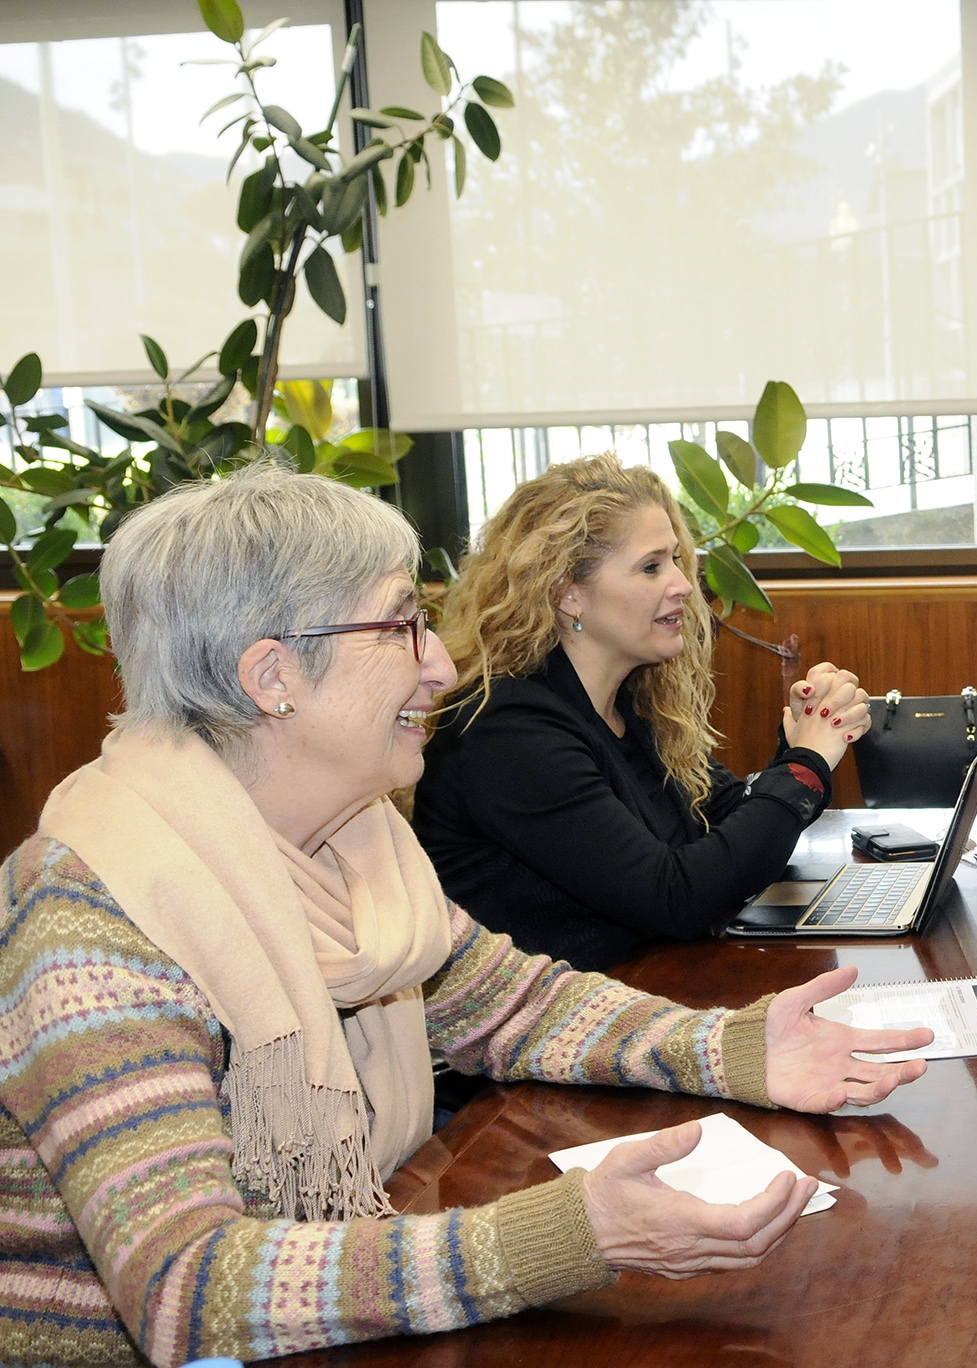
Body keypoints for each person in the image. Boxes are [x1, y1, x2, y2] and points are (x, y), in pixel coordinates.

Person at [0, 463, 929, 1368]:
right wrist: (568, 1236)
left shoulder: (355, 844)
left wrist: (736, 1050)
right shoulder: (96, 913)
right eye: (401, 626)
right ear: (272, 675)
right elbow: (185, 1289)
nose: (442, 663)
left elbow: (519, 1006)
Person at [413, 455, 871, 971]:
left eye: (676, 560)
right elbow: (676, 898)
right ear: (569, 594)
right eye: (652, 567)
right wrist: (804, 765)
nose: (683, 584)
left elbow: (721, 817)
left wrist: (798, 747)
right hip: (532, 1040)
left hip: (630, 996)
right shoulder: (506, 732)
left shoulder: (629, 703)